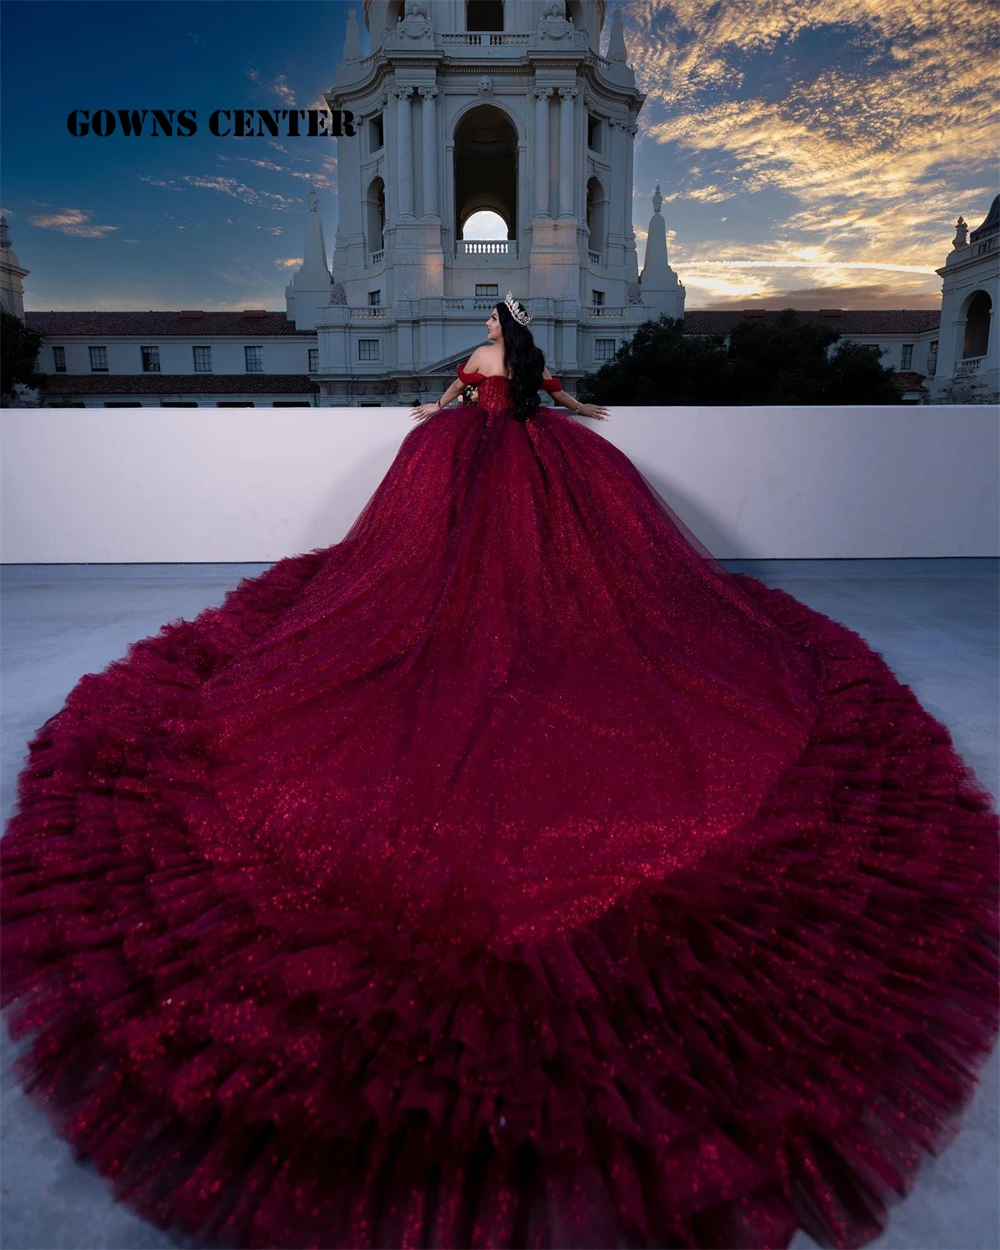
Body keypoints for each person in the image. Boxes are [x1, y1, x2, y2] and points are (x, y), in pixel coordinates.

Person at [1, 290, 997, 1250]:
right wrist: (579, 409)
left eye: (488, 328)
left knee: (477, 587)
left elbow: (446, 405)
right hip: (536, 461)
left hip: (477, 468)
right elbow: (564, 401)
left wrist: (440, 409)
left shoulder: (477, 368)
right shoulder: (522, 370)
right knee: (552, 586)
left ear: (493, 339)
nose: (486, 335)